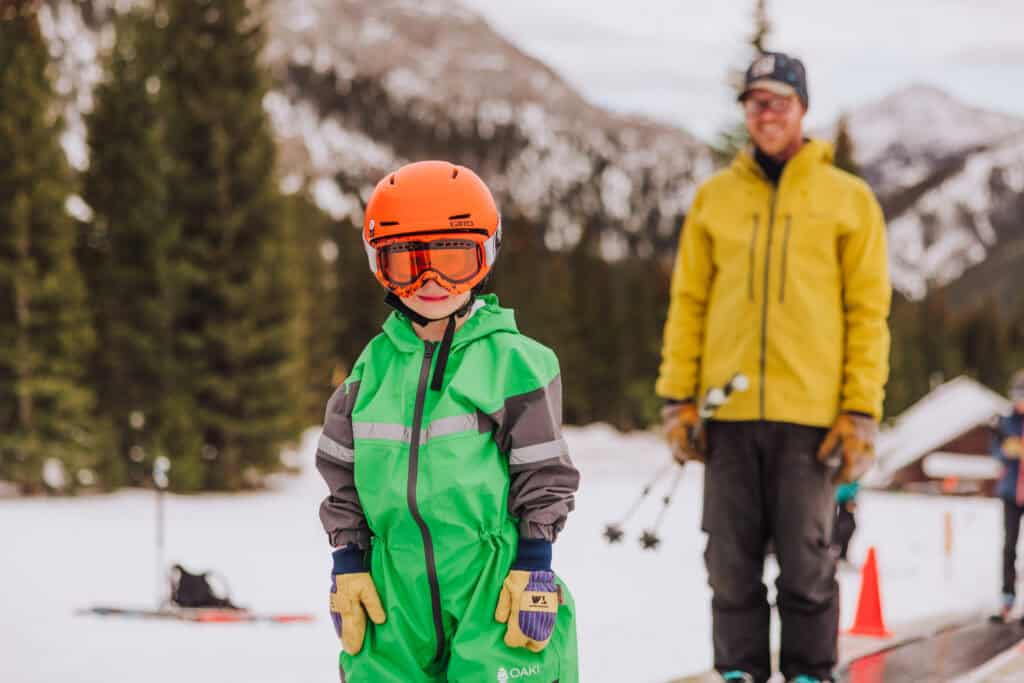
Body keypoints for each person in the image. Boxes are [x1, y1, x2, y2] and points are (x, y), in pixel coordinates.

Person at [657, 51, 891, 683]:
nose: (767, 114)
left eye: (779, 102)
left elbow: (868, 313)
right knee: (728, 562)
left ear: (803, 109)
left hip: (813, 418)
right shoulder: (715, 199)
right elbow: (690, 303)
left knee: (807, 562)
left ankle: (811, 673)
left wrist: (860, 409)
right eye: (756, 102)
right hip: (727, 414)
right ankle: (738, 673)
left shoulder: (848, 200)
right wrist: (677, 398)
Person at [315, 161, 580, 683]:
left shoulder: (512, 361)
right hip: (394, 590)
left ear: (486, 256)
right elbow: (340, 474)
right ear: (379, 266)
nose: (430, 281)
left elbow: (544, 473)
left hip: (491, 583)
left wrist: (533, 562)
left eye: (452, 259)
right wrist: (348, 562)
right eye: (407, 262)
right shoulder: (371, 371)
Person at [991, 369, 1024, 623]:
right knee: (1009, 545)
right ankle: (1007, 596)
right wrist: (1007, 450)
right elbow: (997, 451)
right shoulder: (1005, 421)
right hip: (1011, 492)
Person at [832, 482, 860, 566]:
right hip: (838, 496)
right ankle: (836, 553)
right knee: (841, 526)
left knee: (848, 526)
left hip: (846, 496)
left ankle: (841, 555)